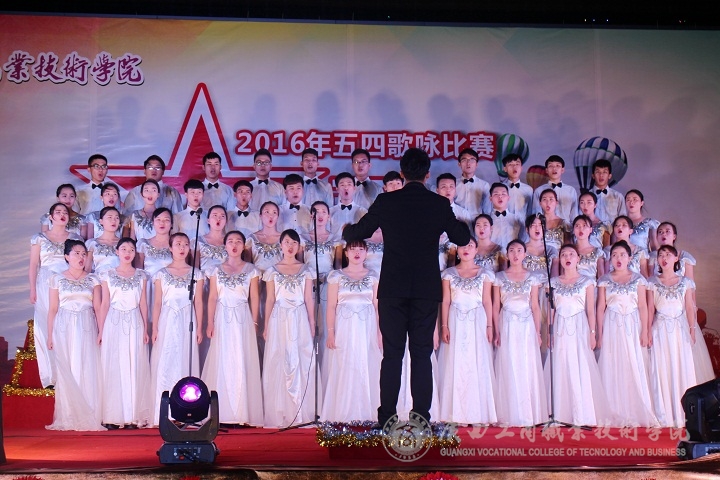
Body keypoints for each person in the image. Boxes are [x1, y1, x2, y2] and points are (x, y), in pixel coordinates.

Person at [342, 147, 471, 427]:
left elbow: (358, 233)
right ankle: (421, 418)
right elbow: (462, 237)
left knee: (392, 355)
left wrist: (346, 231)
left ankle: (387, 418)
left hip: (393, 288)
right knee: (422, 354)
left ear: (401, 173)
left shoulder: (386, 201)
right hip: (425, 289)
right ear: (428, 175)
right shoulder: (439, 204)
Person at [201, 231, 263, 426]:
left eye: (238, 241)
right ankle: (221, 412)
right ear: (225, 245)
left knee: (241, 358)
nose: (234, 245)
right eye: (230, 241)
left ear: (244, 246)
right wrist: (210, 322)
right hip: (222, 317)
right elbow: (212, 297)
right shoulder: (216, 270)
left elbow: (254, 298)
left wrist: (254, 322)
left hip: (243, 318)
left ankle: (241, 413)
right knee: (222, 359)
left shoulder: (252, 270)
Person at [546, 244, 610, 426]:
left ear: (578, 259)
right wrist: (550, 333)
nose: (567, 257)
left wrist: (592, 332)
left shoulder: (587, 281)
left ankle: (582, 414)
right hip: (560, 326)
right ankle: (561, 413)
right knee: (561, 364)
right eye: (564, 254)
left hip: (579, 326)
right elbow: (551, 310)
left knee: (579, 365)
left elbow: (590, 310)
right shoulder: (553, 283)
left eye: (571, 254)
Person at [597, 240, 657, 427]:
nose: (618, 258)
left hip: (632, 324)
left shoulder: (638, 279)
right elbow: (600, 308)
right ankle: (613, 410)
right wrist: (599, 332)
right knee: (613, 363)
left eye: (622, 255)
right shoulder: (604, 280)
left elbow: (643, 306)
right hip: (612, 324)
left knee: (633, 362)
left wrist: (645, 330)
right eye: (614, 255)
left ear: (630, 258)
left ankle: (635, 410)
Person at [438, 237, 497, 425]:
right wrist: (444, 325)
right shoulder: (448, 274)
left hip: (477, 320)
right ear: (457, 249)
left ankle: (477, 413)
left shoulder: (485, 274)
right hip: (455, 319)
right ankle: (455, 413)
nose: (466, 249)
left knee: (477, 361)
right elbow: (445, 301)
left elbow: (487, 301)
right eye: (463, 245)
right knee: (455, 362)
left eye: (470, 245)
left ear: (476, 250)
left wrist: (489, 326)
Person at [321, 240, 381, 422]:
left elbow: (377, 307)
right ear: (346, 253)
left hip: (367, 327)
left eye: (361, 249)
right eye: (353, 249)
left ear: (366, 253)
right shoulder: (336, 276)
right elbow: (331, 306)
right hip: (344, 327)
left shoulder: (374, 276)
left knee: (367, 363)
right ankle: (342, 412)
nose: (357, 253)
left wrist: (380, 333)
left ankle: (368, 412)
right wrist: (331, 332)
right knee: (344, 364)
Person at [262, 229, 317, 428]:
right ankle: (281, 411)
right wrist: (266, 324)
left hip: (299, 316)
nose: (290, 246)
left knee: (300, 359)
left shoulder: (306, 270)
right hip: (279, 317)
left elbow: (309, 298)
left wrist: (312, 322)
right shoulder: (272, 271)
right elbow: (270, 299)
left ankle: (301, 411)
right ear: (281, 245)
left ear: (299, 246)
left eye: (294, 242)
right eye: (287, 242)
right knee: (279, 358)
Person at [46, 239, 103, 431]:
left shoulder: (93, 279)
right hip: (64, 326)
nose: (81, 257)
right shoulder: (56, 279)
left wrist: (101, 331)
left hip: (87, 325)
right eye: (76, 253)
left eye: (83, 254)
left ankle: (89, 413)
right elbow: (53, 309)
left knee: (86, 366)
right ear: (66, 256)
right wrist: (49, 335)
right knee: (68, 368)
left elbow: (98, 307)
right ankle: (69, 415)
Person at [150, 232, 204, 426]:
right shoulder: (161, 274)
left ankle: (187, 411)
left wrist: (199, 327)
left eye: (185, 244)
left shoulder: (196, 274)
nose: (182, 248)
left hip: (187, 319)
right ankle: (164, 412)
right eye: (178, 244)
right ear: (170, 248)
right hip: (167, 320)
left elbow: (199, 302)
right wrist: (155, 328)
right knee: (166, 360)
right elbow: (157, 303)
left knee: (185, 360)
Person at [97, 237, 152, 429]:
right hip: (114, 321)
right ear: (117, 252)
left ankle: (132, 416)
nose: (127, 253)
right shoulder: (107, 275)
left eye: (131, 249)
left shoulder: (141, 276)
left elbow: (143, 303)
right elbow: (104, 304)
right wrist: (101, 330)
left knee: (134, 364)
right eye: (124, 249)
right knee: (114, 365)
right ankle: (112, 416)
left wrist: (146, 328)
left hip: (135, 321)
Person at [493, 240, 547, 426]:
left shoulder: (532, 278)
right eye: (512, 250)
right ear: (507, 254)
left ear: (525, 254)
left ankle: (528, 413)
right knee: (508, 363)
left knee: (526, 363)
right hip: (507, 322)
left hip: (526, 325)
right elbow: (495, 306)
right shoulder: (499, 277)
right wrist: (496, 330)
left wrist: (538, 332)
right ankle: (509, 413)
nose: (515, 254)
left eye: (519, 250)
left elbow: (535, 306)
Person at [30, 203, 83, 388]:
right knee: (45, 326)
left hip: (67, 283)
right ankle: (50, 375)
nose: (62, 215)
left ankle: (68, 373)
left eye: (65, 212)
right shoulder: (39, 238)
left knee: (65, 325)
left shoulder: (75, 238)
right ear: (51, 217)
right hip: (44, 283)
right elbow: (33, 265)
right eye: (57, 212)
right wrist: (32, 289)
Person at [646, 245, 697, 428]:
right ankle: (664, 414)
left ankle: (684, 414)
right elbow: (650, 309)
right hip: (660, 329)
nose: (664, 257)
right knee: (662, 368)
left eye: (668, 254)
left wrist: (692, 329)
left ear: (676, 259)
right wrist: (647, 331)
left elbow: (689, 307)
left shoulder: (685, 282)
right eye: (661, 255)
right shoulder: (652, 282)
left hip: (679, 329)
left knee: (680, 366)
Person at [531, 155, 578, 224]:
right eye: (551, 166)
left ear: (562, 170)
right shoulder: (539, 191)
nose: (554, 169)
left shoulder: (571, 190)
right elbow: (537, 214)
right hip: (546, 228)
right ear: (546, 170)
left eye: (557, 166)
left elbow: (574, 214)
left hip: (567, 228)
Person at [454, 148, 491, 218]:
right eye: (464, 160)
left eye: (472, 160)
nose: (468, 163)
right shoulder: (453, 184)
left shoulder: (484, 185)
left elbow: (487, 209)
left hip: (477, 221)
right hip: (458, 220)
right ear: (459, 164)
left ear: (476, 164)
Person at [487, 182, 524, 250]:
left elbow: (523, 239)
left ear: (508, 198)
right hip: (492, 254)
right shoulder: (486, 220)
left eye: (503, 194)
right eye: (496, 194)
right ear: (490, 198)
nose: (500, 197)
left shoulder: (517, 219)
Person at [329, 172, 367, 236]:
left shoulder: (363, 212)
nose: (346, 188)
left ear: (354, 188)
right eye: (342, 185)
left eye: (349, 184)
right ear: (337, 189)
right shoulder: (330, 212)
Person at [85, 206, 121, 273]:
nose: (113, 221)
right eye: (110, 217)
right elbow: (87, 270)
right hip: (98, 278)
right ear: (101, 221)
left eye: (117, 218)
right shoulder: (91, 243)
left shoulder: (122, 244)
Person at [195, 205, 229, 273]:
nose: (218, 219)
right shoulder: (198, 241)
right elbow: (195, 269)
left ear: (226, 221)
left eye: (222, 216)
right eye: (215, 215)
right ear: (208, 220)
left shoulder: (230, 241)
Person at [591, 159, 626, 225]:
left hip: (612, 231)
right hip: (592, 231)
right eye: (598, 172)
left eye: (604, 172)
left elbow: (623, 219)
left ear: (609, 176)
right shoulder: (586, 196)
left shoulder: (618, 196)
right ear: (593, 175)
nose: (601, 175)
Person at [572, 214, 605, 279]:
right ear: (573, 230)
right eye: (577, 226)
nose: (581, 229)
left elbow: (601, 276)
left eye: (584, 225)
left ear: (590, 230)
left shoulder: (598, 252)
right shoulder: (570, 252)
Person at [501, 154, 533, 218]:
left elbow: (530, 211)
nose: (514, 167)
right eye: (510, 164)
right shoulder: (500, 188)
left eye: (517, 164)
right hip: (505, 223)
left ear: (521, 168)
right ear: (505, 169)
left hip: (523, 223)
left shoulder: (528, 189)